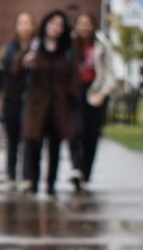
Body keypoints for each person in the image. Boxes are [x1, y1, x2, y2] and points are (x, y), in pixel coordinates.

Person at [19, 10, 81, 197]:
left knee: (54, 147)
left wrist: (71, 97)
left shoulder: (68, 51)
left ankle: (51, 184)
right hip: (37, 106)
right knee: (34, 144)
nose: (56, 28)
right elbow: (16, 71)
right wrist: (25, 62)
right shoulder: (34, 47)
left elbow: (74, 77)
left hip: (59, 106)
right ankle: (33, 182)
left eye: (60, 25)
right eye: (53, 23)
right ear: (46, 24)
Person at [68, 11, 117, 191]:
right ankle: (76, 168)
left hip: (95, 94)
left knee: (91, 136)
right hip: (75, 93)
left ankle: (85, 173)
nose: (84, 27)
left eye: (87, 23)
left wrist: (102, 94)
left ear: (93, 25)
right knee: (75, 131)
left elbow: (110, 74)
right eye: (80, 23)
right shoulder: (70, 43)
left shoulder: (102, 43)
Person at [0, 12, 35, 189]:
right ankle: (11, 176)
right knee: (12, 139)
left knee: (29, 139)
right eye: (21, 23)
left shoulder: (38, 47)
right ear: (16, 26)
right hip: (11, 100)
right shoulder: (7, 48)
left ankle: (27, 177)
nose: (25, 27)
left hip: (31, 102)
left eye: (28, 23)